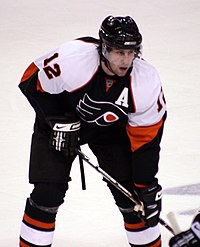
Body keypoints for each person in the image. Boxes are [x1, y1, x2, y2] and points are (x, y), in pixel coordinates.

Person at [18, 15, 167, 247]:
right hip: (60, 121)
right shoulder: (73, 60)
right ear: (103, 48)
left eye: (131, 52)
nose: (126, 60)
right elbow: (30, 81)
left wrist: (146, 185)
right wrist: (56, 120)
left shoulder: (145, 80)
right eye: (119, 52)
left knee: (135, 202)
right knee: (47, 194)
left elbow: (146, 139)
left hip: (111, 133)